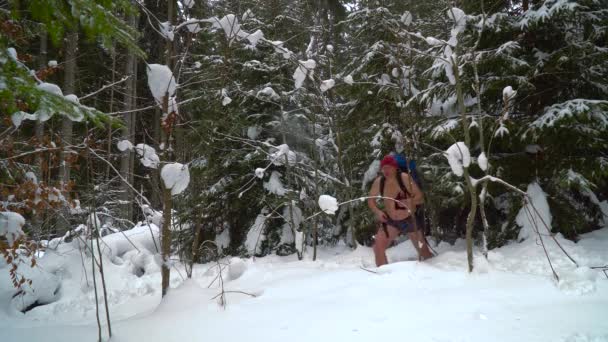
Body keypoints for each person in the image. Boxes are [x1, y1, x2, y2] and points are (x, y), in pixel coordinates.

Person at [367, 155, 433, 266]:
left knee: (424, 252)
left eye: (389, 167)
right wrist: (378, 212)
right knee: (378, 247)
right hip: (391, 220)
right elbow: (370, 200)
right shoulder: (380, 182)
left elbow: (420, 197)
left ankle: (437, 273)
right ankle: (383, 277)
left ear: (395, 167)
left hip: (409, 219)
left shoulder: (404, 178)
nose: (386, 170)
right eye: (384, 168)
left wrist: (408, 202)